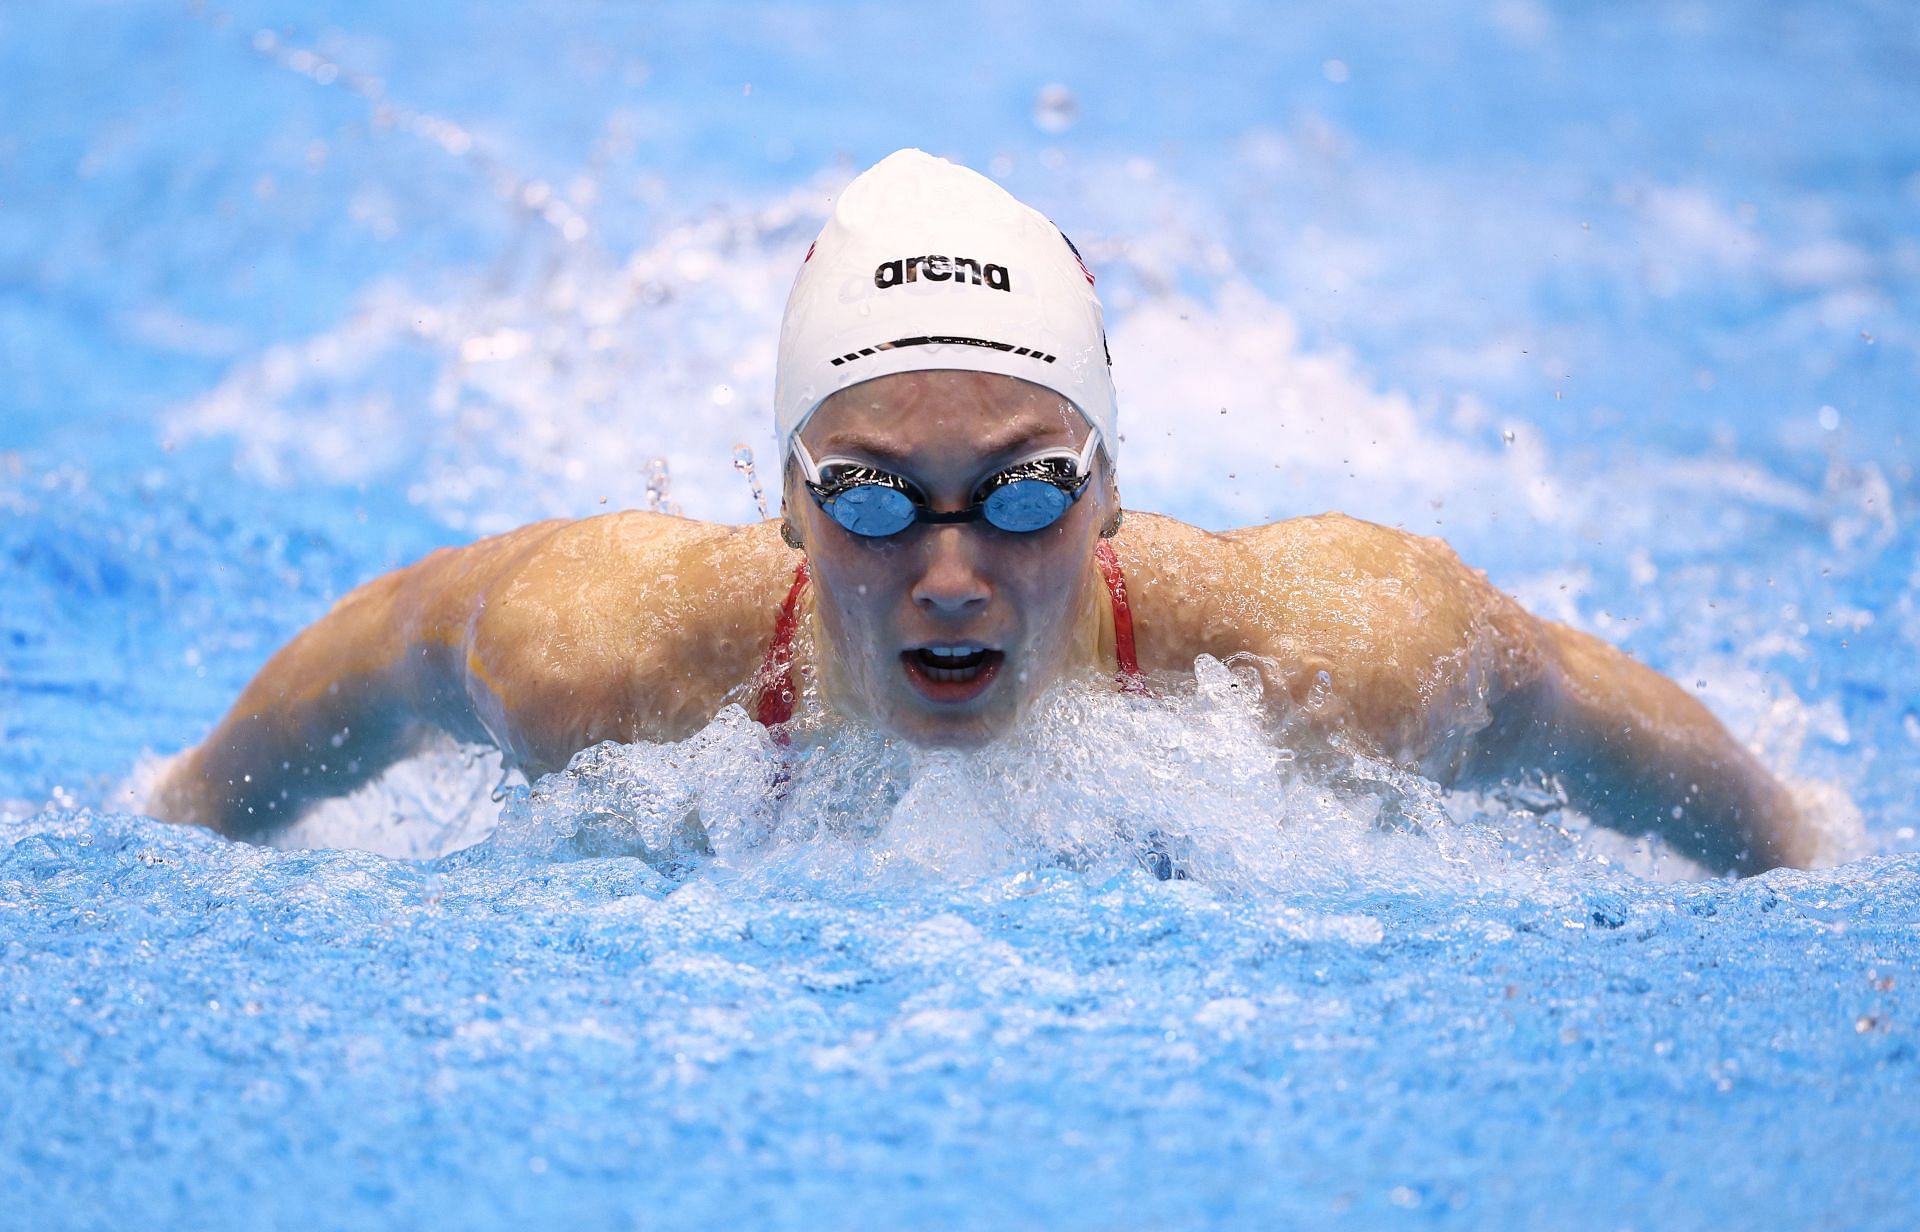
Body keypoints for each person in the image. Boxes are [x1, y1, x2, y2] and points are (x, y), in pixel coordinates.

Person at [151, 149, 1814, 875]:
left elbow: (1701, 789)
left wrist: (1812, 858)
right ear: (789, 510)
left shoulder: (1341, 655)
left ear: (1108, 494)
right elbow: (390, 643)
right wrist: (187, 818)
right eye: (877, 505)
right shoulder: (603, 655)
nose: (952, 576)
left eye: (1021, 493)